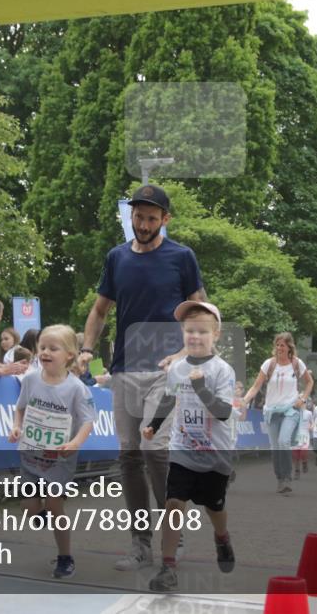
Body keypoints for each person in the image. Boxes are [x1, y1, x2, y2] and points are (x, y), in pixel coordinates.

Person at [78, 184, 206, 571]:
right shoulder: (117, 258)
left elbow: (201, 312)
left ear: (165, 219)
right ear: (131, 216)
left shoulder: (182, 257)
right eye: (138, 216)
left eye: (151, 218)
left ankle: (173, 536)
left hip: (165, 372)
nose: (144, 224)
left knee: (157, 450)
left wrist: (185, 353)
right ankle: (140, 544)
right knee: (129, 455)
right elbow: (100, 310)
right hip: (124, 369)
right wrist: (86, 349)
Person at [141, 301, 236, 592]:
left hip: (215, 453)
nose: (195, 337)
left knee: (213, 506)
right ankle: (167, 567)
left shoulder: (222, 370)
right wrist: (154, 425)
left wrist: (201, 389)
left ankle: (222, 538)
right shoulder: (177, 368)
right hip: (182, 448)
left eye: (202, 332)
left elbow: (223, 412)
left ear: (216, 334)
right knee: (173, 504)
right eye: (189, 331)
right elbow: (169, 399)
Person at [8, 324, 95, 579]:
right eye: (42, 347)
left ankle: (65, 556)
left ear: (69, 354)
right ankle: (44, 514)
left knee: (55, 506)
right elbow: (20, 407)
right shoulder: (31, 378)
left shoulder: (77, 388)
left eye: (52, 348)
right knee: (28, 508)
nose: (45, 352)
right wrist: (16, 426)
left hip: (59, 458)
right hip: (31, 454)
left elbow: (88, 420)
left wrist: (76, 443)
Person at [241, 333, 314, 495]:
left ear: (289, 347)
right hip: (272, 411)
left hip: (291, 410)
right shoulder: (269, 364)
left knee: (283, 441)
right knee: (275, 448)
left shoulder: (296, 364)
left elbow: (309, 382)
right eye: (277, 345)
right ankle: (280, 479)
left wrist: (303, 398)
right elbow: (256, 386)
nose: (280, 348)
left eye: (283, 345)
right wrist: (244, 401)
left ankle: (287, 478)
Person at [293, 401, 312, 479]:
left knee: (303, 453)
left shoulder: (308, 413)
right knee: (295, 455)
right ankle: (297, 471)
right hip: (295, 436)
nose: (301, 404)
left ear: (305, 403)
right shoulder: (294, 413)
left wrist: (311, 427)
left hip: (305, 436)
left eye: (303, 402)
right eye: (300, 402)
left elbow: (312, 423)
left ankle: (304, 463)